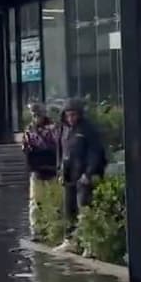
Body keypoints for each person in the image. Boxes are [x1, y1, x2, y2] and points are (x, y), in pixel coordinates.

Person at [56, 97, 107, 255]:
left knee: (84, 208)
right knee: (69, 209)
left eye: (74, 115)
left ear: (79, 114)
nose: (71, 118)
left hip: (83, 176)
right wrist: (60, 170)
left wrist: (89, 173)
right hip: (68, 175)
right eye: (68, 115)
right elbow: (61, 151)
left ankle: (89, 244)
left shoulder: (87, 129)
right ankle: (70, 241)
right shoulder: (64, 129)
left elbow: (95, 152)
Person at [22, 103, 57, 241]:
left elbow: (56, 147)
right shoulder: (29, 131)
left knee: (55, 202)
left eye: (38, 115)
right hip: (36, 172)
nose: (36, 117)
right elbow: (26, 149)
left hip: (52, 171)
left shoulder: (53, 129)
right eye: (34, 115)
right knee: (36, 203)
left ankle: (54, 229)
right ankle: (37, 231)